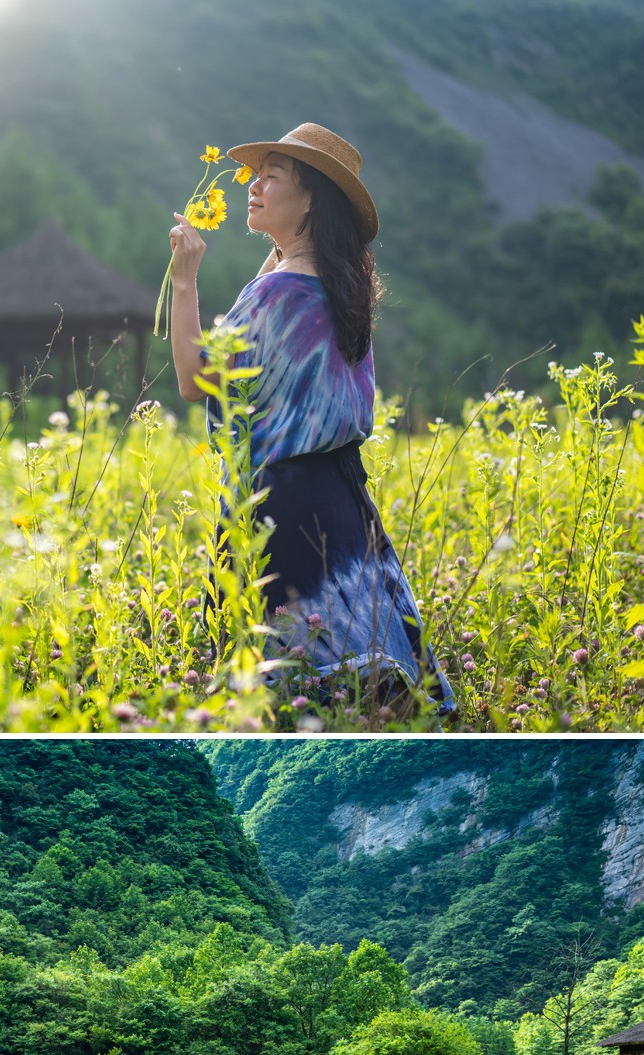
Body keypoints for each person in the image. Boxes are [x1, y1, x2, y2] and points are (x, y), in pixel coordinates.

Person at [168, 122, 453, 716]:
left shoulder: (274, 295)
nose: (253, 186)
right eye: (255, 176)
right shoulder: (341, 293)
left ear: (311, 202)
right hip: (344, 506)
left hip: (280, 512)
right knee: (367, 682)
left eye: (272, 176)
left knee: (284, 691)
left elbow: (194, 380)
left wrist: (185, 279)